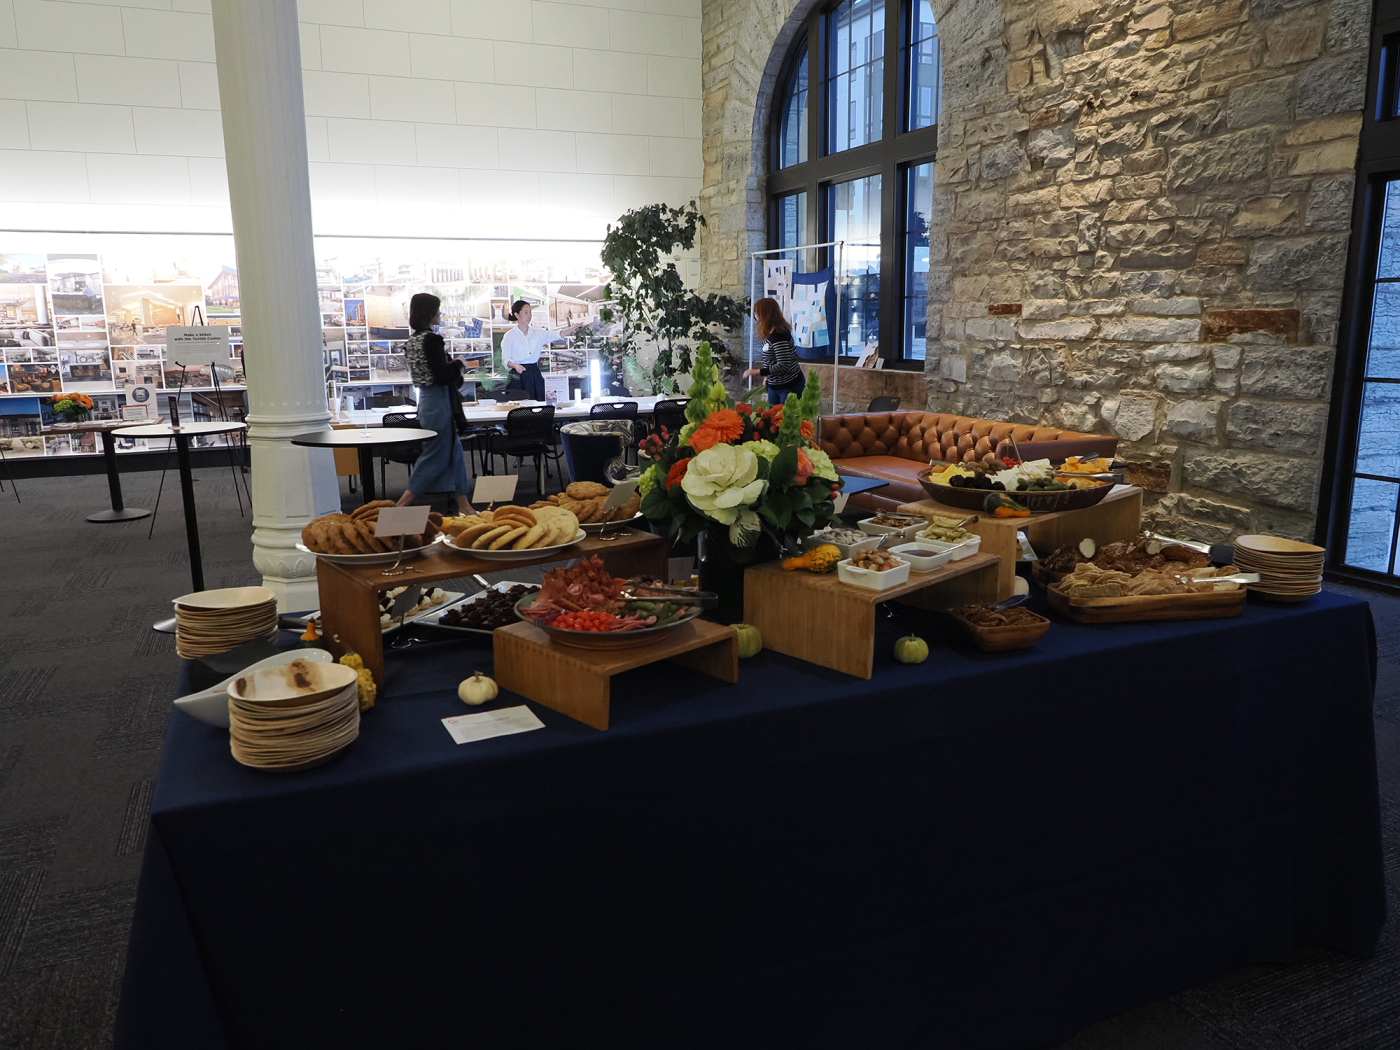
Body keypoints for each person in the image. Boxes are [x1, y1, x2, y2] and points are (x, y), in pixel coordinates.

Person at [395, 292, 475, 514]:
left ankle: (464, 505)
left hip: (428, 402)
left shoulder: (412, 341)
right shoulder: (432, 340)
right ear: (429, 313)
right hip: (439, 403)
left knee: (455, 453)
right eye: (437, 310)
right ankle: (401, 504)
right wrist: (458, 363)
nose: (440, 314)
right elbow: (441, 377)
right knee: (435, 456)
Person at [742, 297, 806, 406]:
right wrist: (768, 376)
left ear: (765, 314)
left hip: (789, 386)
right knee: (772, 418)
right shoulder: (770, 332)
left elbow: (783, 365)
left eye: (757, 313)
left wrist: (758, 372)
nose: (755, 317)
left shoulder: (779, 336)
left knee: (784, 420)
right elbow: (772, 359)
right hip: (774, 385)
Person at [501, 300, 568, 402]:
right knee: (518, 407)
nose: (529, 316)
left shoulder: (538, 333)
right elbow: (506, 360)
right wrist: (515, 366)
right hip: (518, 375)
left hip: (534, 374)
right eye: (526, 312)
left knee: (537, 405)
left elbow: (556, 335)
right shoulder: (509, 336)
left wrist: (573, 327)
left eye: (530, 312)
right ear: (517, 315)